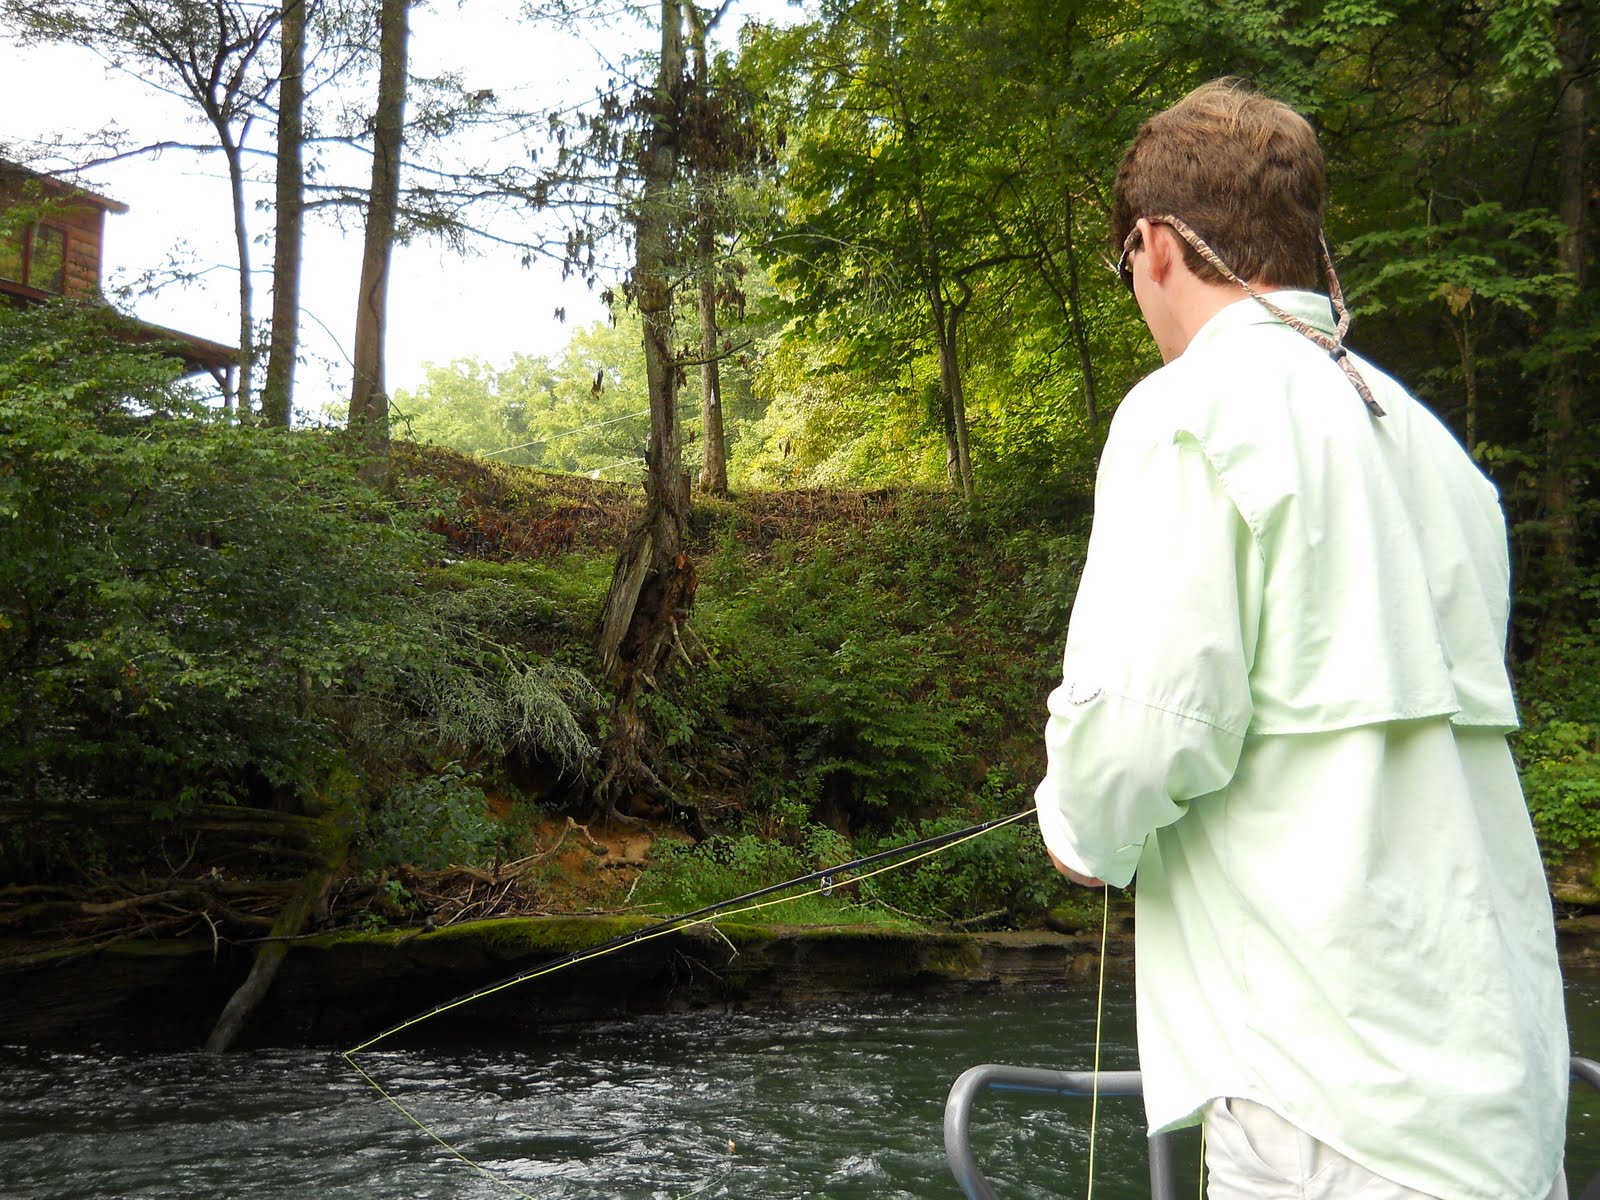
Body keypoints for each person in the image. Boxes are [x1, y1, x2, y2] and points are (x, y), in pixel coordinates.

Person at [1034, 78, 1570, 1200]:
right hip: (1500, 1106)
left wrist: (1075, 830)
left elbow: (1138, 737)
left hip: (1327, 1107)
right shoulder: (1432, 447)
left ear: (1157, 245)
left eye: (1124, 260)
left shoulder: (1187, 409)